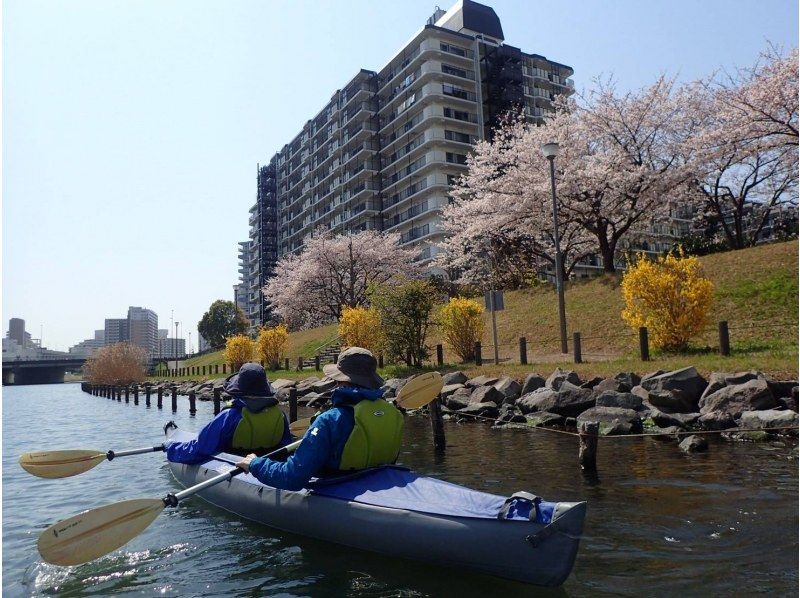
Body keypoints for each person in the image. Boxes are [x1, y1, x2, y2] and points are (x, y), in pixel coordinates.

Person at [237, 347, 403, 491]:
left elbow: (292, 477)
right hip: (376, 481)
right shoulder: (393, 412)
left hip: (336, 486)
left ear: (340, 381)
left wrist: (255, 464)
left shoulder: (328, 420)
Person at [166, 362, 291, 464]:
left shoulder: (230, 416)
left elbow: (200, 447)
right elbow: (287, 447)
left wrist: (171, 448)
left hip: (235, 464)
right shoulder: (280, 415)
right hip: (268, 464)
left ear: (239, 389)